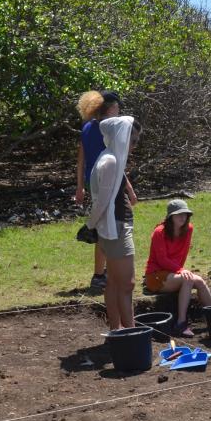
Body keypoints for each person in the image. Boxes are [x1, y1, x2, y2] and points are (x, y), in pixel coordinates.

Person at [75, 90, 136, 291]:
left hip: (93, 182)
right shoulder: (107, 130)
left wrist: (80, 188)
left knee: (103, 225)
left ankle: (102, 274)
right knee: (109, 227)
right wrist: (129, 188)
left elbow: (81, 160)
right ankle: (102, 274)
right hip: (108, 181)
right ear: (111, 108)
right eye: (117, 108)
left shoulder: (86, 128)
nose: (119, 111)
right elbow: (113, 161)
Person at [85, 116, 141, 331]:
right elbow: (102, 201)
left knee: (114, 283)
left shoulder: (110, 157)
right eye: (132, 140)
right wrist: (90, 225)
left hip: (113, 227)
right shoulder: (111, 161)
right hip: (116, 228)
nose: (134, 146)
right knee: (127, 285)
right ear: (120, 135)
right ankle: (132, 335)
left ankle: (117, 332)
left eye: (136, 141)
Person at [143, 198, 211, 337]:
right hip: (155, 276)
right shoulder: (159, 232)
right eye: (179, 214)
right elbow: (162, 260)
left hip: (173, 273)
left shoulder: (188, 229)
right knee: (187, 279)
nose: (183, 217)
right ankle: (181, 323)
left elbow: (182, 254)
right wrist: (181, 271)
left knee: (199, 281)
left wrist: (180, 270)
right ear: (171, 216)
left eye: (185, 214)